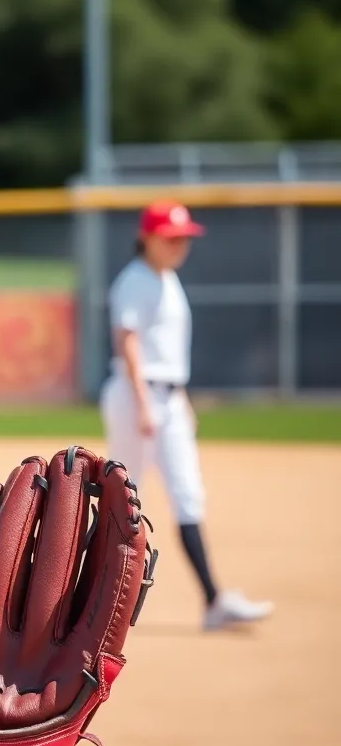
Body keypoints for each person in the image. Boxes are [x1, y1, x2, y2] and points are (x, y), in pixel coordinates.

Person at [100, 200, 273, 632]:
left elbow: (165, 350)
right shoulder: (136, 281)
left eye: (184, 238)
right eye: (171, 237)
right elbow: (129, 342)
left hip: (169, 398)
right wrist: (143, 402)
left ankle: (214, 601)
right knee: (123, 500)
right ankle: (85, 606)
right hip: (137, 396)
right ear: (148, 238)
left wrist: (179, 401)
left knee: (187, 494)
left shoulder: (167, 279)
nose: (180, 245)